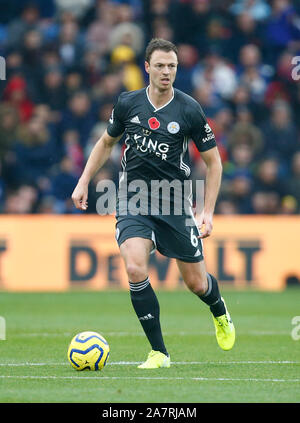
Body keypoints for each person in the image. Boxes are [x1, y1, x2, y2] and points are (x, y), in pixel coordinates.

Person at [72, 38, 235, 369]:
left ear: (177, 69)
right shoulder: (128, 103)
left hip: (175, 203)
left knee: (196, 283)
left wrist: (207, 212)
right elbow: (106, 143)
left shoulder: (189, 109)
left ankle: (218, 308)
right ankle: (159, 352)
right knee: (134, 267)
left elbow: (214, 163)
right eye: (159, 65)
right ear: (146, 67)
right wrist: (84, 180)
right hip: (132, 197)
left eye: (172, 66)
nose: (166, 72)